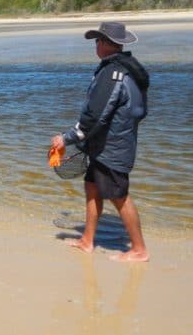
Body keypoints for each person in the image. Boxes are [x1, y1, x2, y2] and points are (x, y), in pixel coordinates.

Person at [51, 21, 150, 262]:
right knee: (92, 189)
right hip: (105, 144)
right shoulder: (127, 68)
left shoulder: (113, 74)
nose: (95, 45)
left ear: (107, 44)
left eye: (97, 40)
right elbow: (138, 111)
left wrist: (65, 138)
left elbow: (96, 115)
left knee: (119, 196)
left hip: (112, 148)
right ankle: (87, 240)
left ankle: (139, 250)